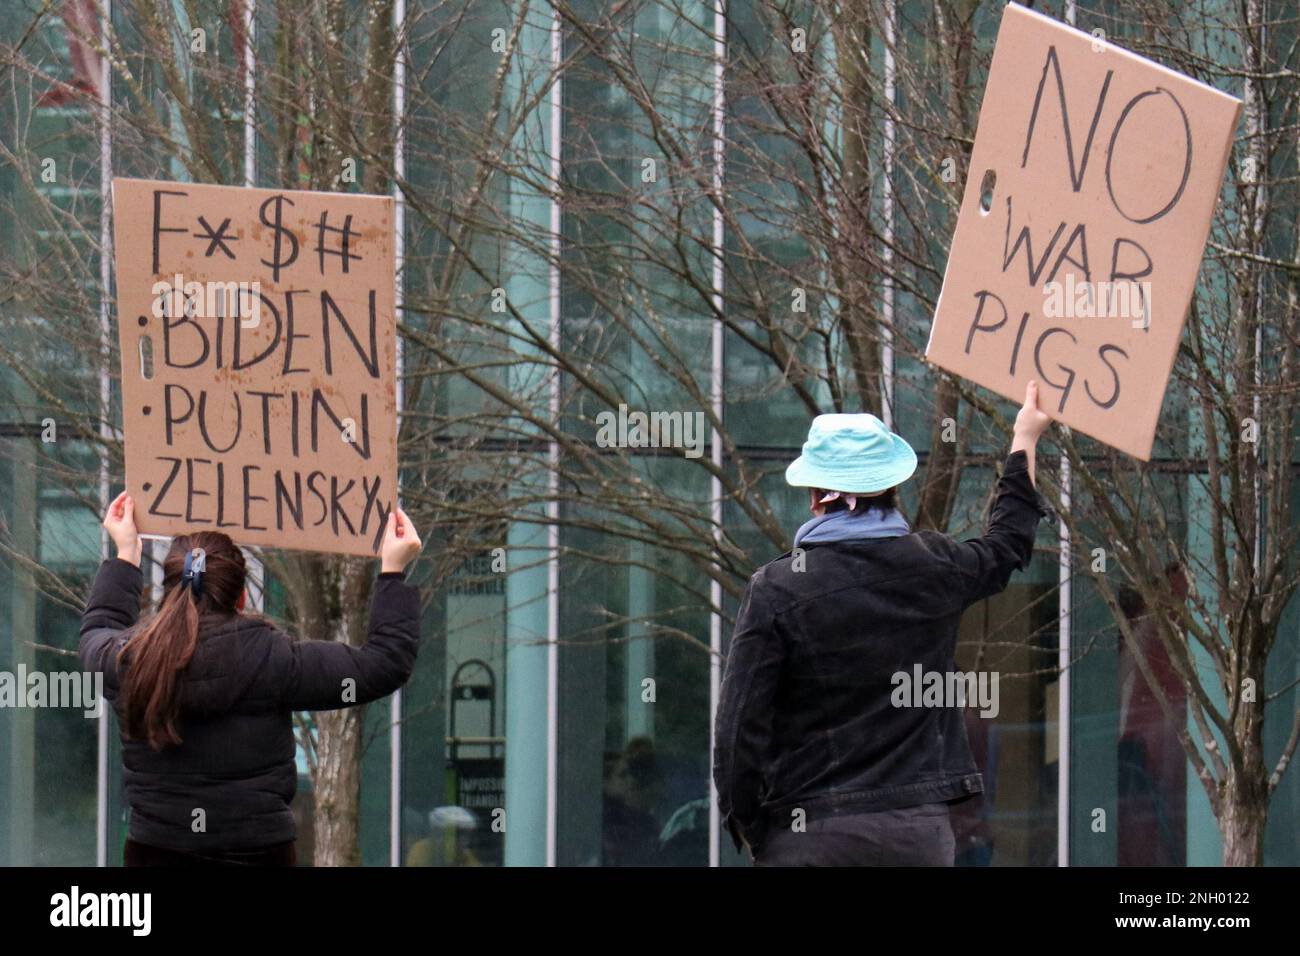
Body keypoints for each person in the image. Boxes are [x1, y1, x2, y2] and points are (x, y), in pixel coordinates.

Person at [713, 381, 1052, 866]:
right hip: (914, 836)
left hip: (810, 835)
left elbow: (738, 729)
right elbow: (1008, 543)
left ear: (816, 497)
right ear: (892, 488)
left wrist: (751, 824)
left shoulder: (778, 589)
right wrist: (1025, 438)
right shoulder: (936, 566)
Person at [81, 491, 424, 867]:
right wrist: (392, 570)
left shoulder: (127, 661)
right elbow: (385, 663)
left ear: (169, 592)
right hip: (261, 854)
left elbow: (98, 628)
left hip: (154, 854)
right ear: (241, 597)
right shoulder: (274, 658)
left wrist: (126, 555)